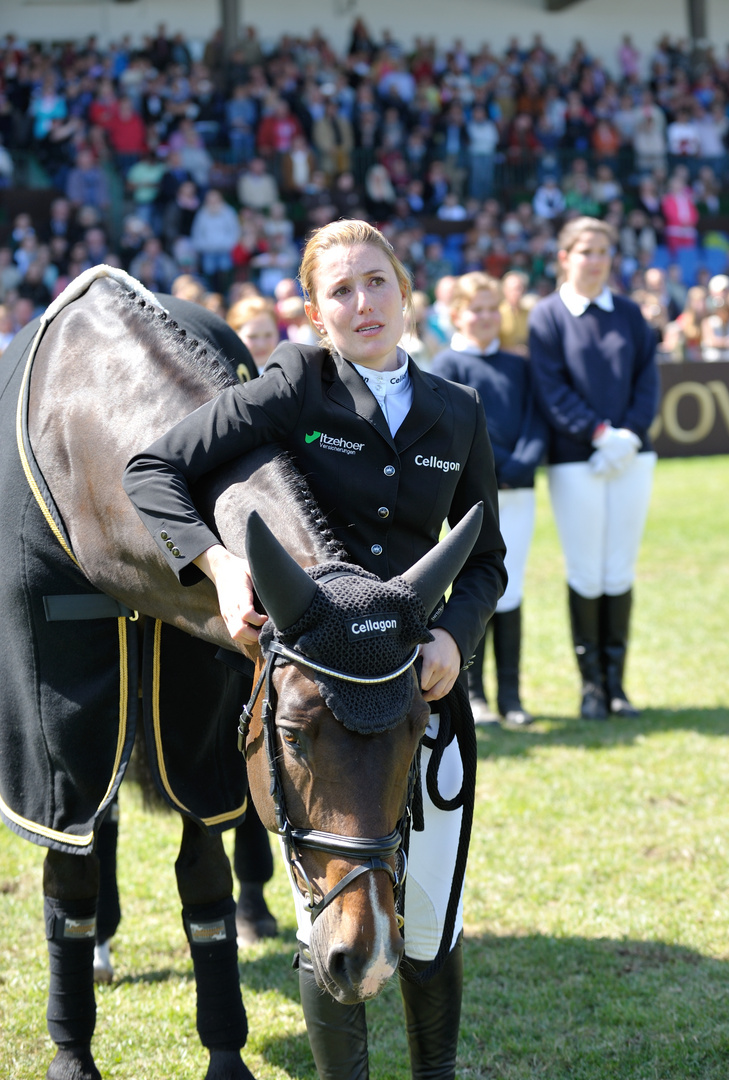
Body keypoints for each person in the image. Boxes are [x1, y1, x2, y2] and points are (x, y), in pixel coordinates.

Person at [123, 218, 507, 1080]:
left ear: (406, 291)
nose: (362, 303)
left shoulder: (458, 410)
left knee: (431, 915)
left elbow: (484, 559)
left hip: (419, 692)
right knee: (325, 921)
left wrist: (455, 632)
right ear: (314, 311)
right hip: (315, 712)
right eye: (340, 291)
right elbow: (153, 469)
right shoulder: (295, 382)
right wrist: (216, 566)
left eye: (376, 282)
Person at [528, 217, 659, 721]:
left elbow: (648, 379)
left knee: (619, 567)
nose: (596, 259)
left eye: (604, 250)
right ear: (564, 257)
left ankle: (616, 685)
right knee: (585, 569)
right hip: (575, 459)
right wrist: (599, 434)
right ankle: (590, 689)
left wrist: (626, 436)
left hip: (632, 455)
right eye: (585, 250)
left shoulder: (629, 313)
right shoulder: (547, 315)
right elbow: (550, 387)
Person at [432, 272, 547, 726]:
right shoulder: (446, 365)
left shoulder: (518, 365)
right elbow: (458, 431)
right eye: (474, 308)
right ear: (457, 313)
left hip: (519, 494)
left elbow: (537, 420)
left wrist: (525, 462)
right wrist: (498, 468)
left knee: (513, 587)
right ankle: (476, 693)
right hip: (474, 501)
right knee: (480, 586)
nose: (483, 317)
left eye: (491, 307)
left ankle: (512, 696)